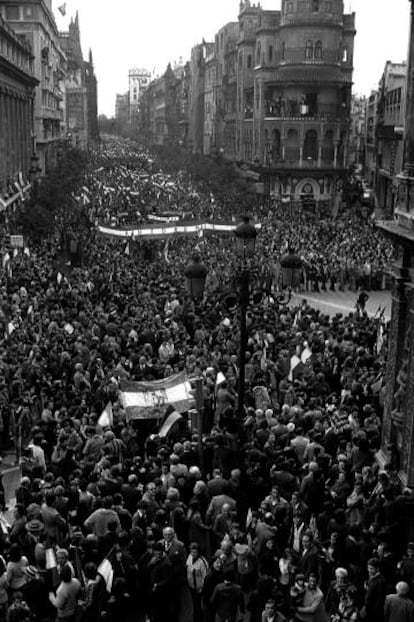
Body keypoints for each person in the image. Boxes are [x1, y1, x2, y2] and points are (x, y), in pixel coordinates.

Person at [186, 542, 209, 622]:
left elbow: (206, 577)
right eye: (191, 552)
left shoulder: (203, 562)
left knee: (198, 606)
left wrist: (202, 588)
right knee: (195, 605)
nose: (193, 554)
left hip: (199, 589)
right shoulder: (189, 557)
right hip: (191, 587)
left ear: (199, 552)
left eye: (195, 552)